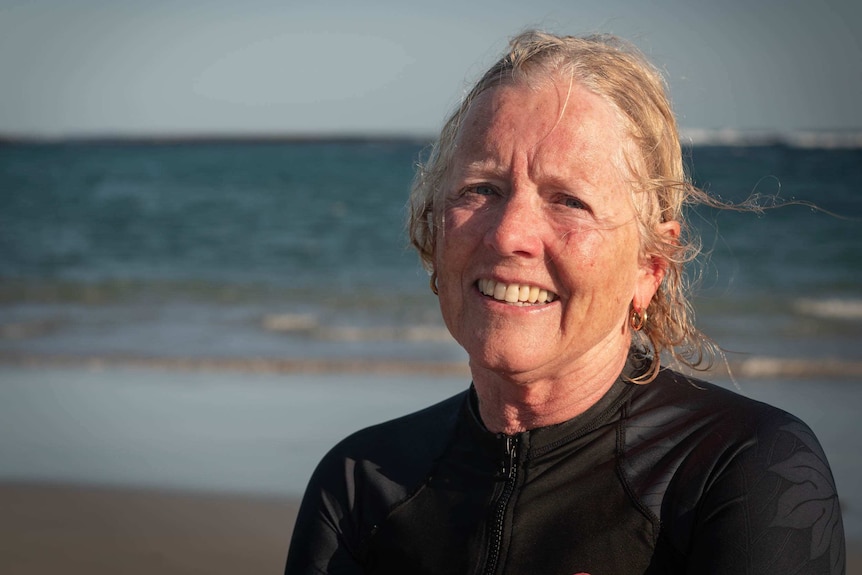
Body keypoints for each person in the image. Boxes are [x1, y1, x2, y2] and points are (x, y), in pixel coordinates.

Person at [284, 30, 845, 574]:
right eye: (481, 188)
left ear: (650, 267)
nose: (509, 235)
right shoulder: (361, 485)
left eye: (569, 201)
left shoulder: (742, 469)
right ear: (432, 228)